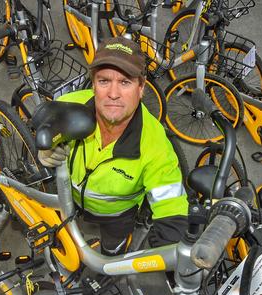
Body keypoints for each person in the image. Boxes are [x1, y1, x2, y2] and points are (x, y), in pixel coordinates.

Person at [38, 37, 188, 256]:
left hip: (117, 218)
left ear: (141, 88)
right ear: (93, 84)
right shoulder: (70, 105)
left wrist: (180, 257)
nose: (113, 93)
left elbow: (172, 209)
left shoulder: (156, 147)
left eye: (125, 82)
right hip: (69, 199)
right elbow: (40, 123)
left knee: (111, 253)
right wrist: (44, 150)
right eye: (104, 81)